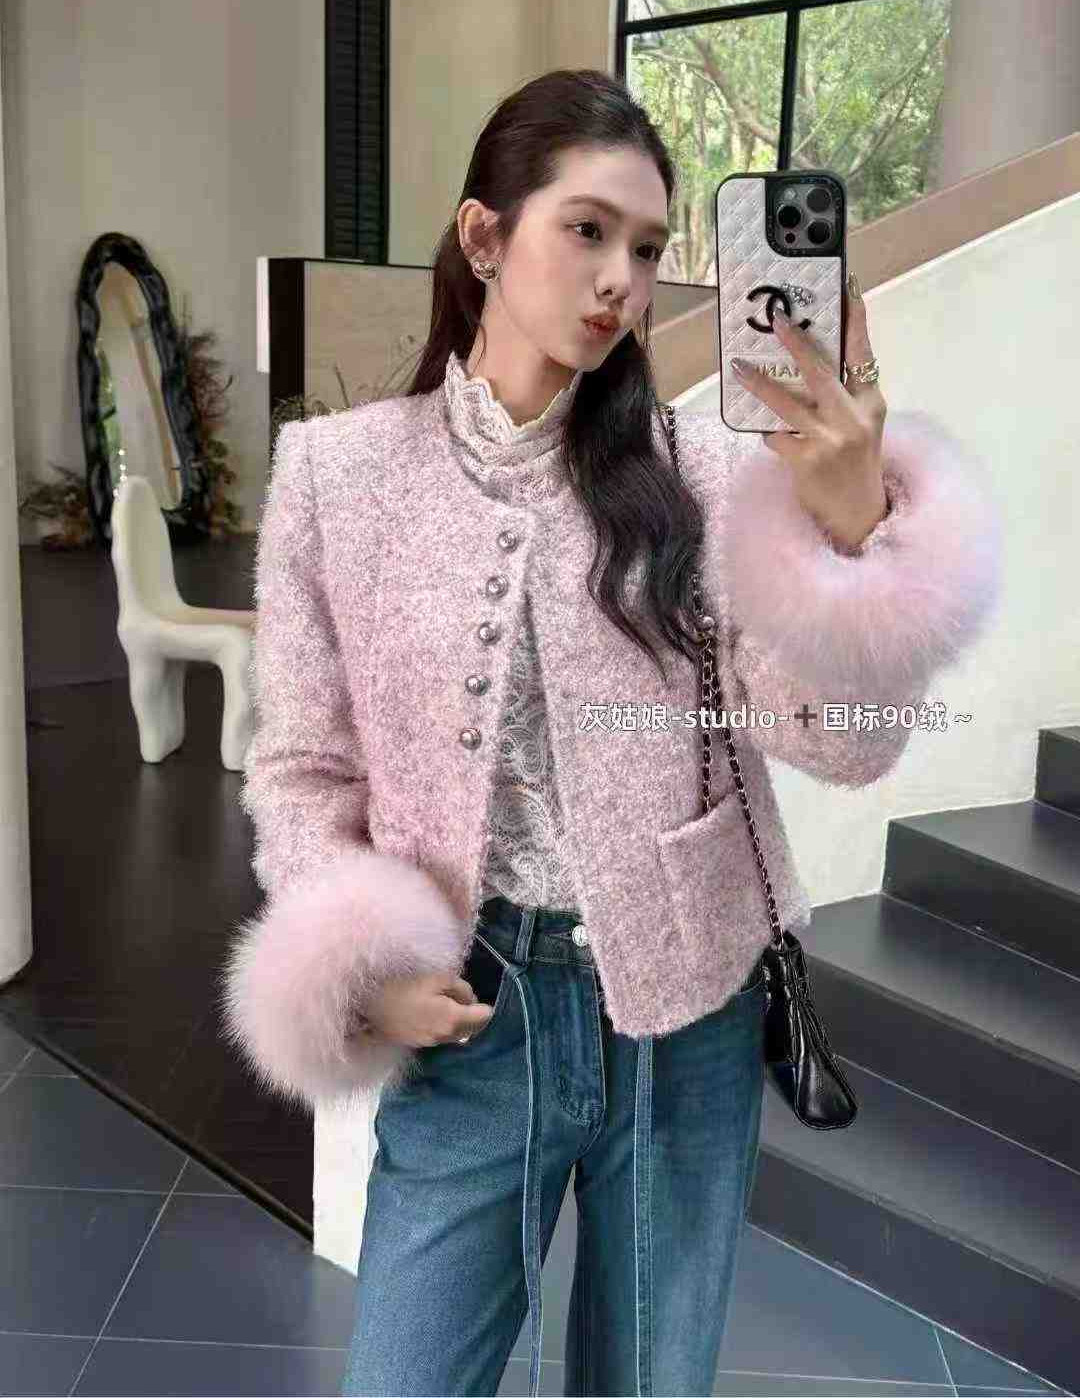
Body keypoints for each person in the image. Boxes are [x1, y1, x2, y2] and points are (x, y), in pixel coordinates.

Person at [219, 69, 1003, 1398]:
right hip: (472, 1009)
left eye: (645, 249)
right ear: (485, 238)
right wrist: (357, 968)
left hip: (687, 1016)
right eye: (586, 230)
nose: (619, 282)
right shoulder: (339, 477)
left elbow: (844, 744)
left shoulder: (706, 475)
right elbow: (301, 768)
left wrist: (851, 525)